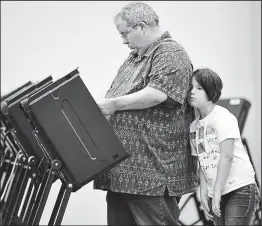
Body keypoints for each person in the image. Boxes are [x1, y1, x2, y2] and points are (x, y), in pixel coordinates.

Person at [93, 2, 199, 225]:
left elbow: (157, 94)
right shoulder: (136, 57)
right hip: (123, 174)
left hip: (151, 174)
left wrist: (112, 105)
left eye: (125, 34)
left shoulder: (170, 52)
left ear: (141, 27)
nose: (123, 40)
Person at [188, 68, 261, 225]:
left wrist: (216, 193)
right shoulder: (193, 127)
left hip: (240, 188)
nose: (192, 91)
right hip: (218, 191)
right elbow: (201, 161)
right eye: (191, 87)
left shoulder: (222, 117)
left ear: (211, 93)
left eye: (199, 88)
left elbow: (226, 157)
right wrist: (204, 191)